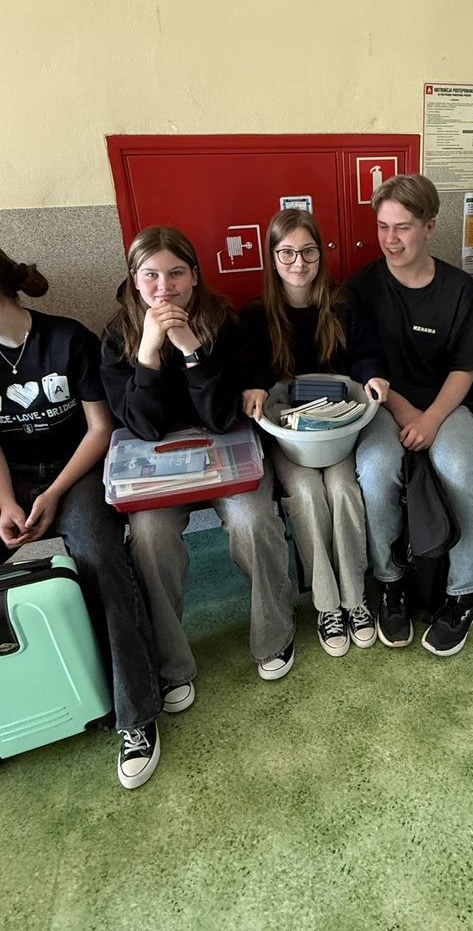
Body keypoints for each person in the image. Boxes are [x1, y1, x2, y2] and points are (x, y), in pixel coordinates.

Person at [101, 226, 295, 701]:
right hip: (159, 460)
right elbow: (142, 428)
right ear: (134, 278)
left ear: (194, 275)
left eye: (176, 274)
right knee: (149, 538)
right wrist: (149, 353)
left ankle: (274, 636)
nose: (164, 287)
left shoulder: (223, 321)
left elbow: (224, 417)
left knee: (253, 521)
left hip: (224, 447)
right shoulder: (117, 334)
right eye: (151, 275)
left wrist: (191, 350)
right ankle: (173, 664)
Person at [0, 248, 162, 790]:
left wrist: (53, 493)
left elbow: (100, 429)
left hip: (79, 469)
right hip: (12, 480)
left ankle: (136, 714)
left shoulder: (67, 338)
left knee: (99, 556)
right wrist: (7, 503)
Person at [346, 174, 473, 657]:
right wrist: (405, 409)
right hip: (385, 405)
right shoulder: (362, 286)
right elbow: (361, 365)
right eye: (383, 226)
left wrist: (430, 420)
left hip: (447, 404)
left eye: (402, 227)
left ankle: (464, 592)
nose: (390, 239)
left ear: (429, 227)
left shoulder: (458, 287)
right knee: (375, 470)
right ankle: (390, 584)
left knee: (459, 470)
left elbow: (465, 367)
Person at [240, 209, 389, 657]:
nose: (299, 263)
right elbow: (251, 369)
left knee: (343, 491)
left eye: (308, 252)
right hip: (289, 436)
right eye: (287, 253)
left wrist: (373, 376)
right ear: (272, 257)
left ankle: (355, 598)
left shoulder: (342, 304)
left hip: (337, 431)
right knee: (306, 495)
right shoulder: (256, 315)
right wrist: (254, 386)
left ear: (321, 254)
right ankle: (327, 605)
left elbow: (365, 354)